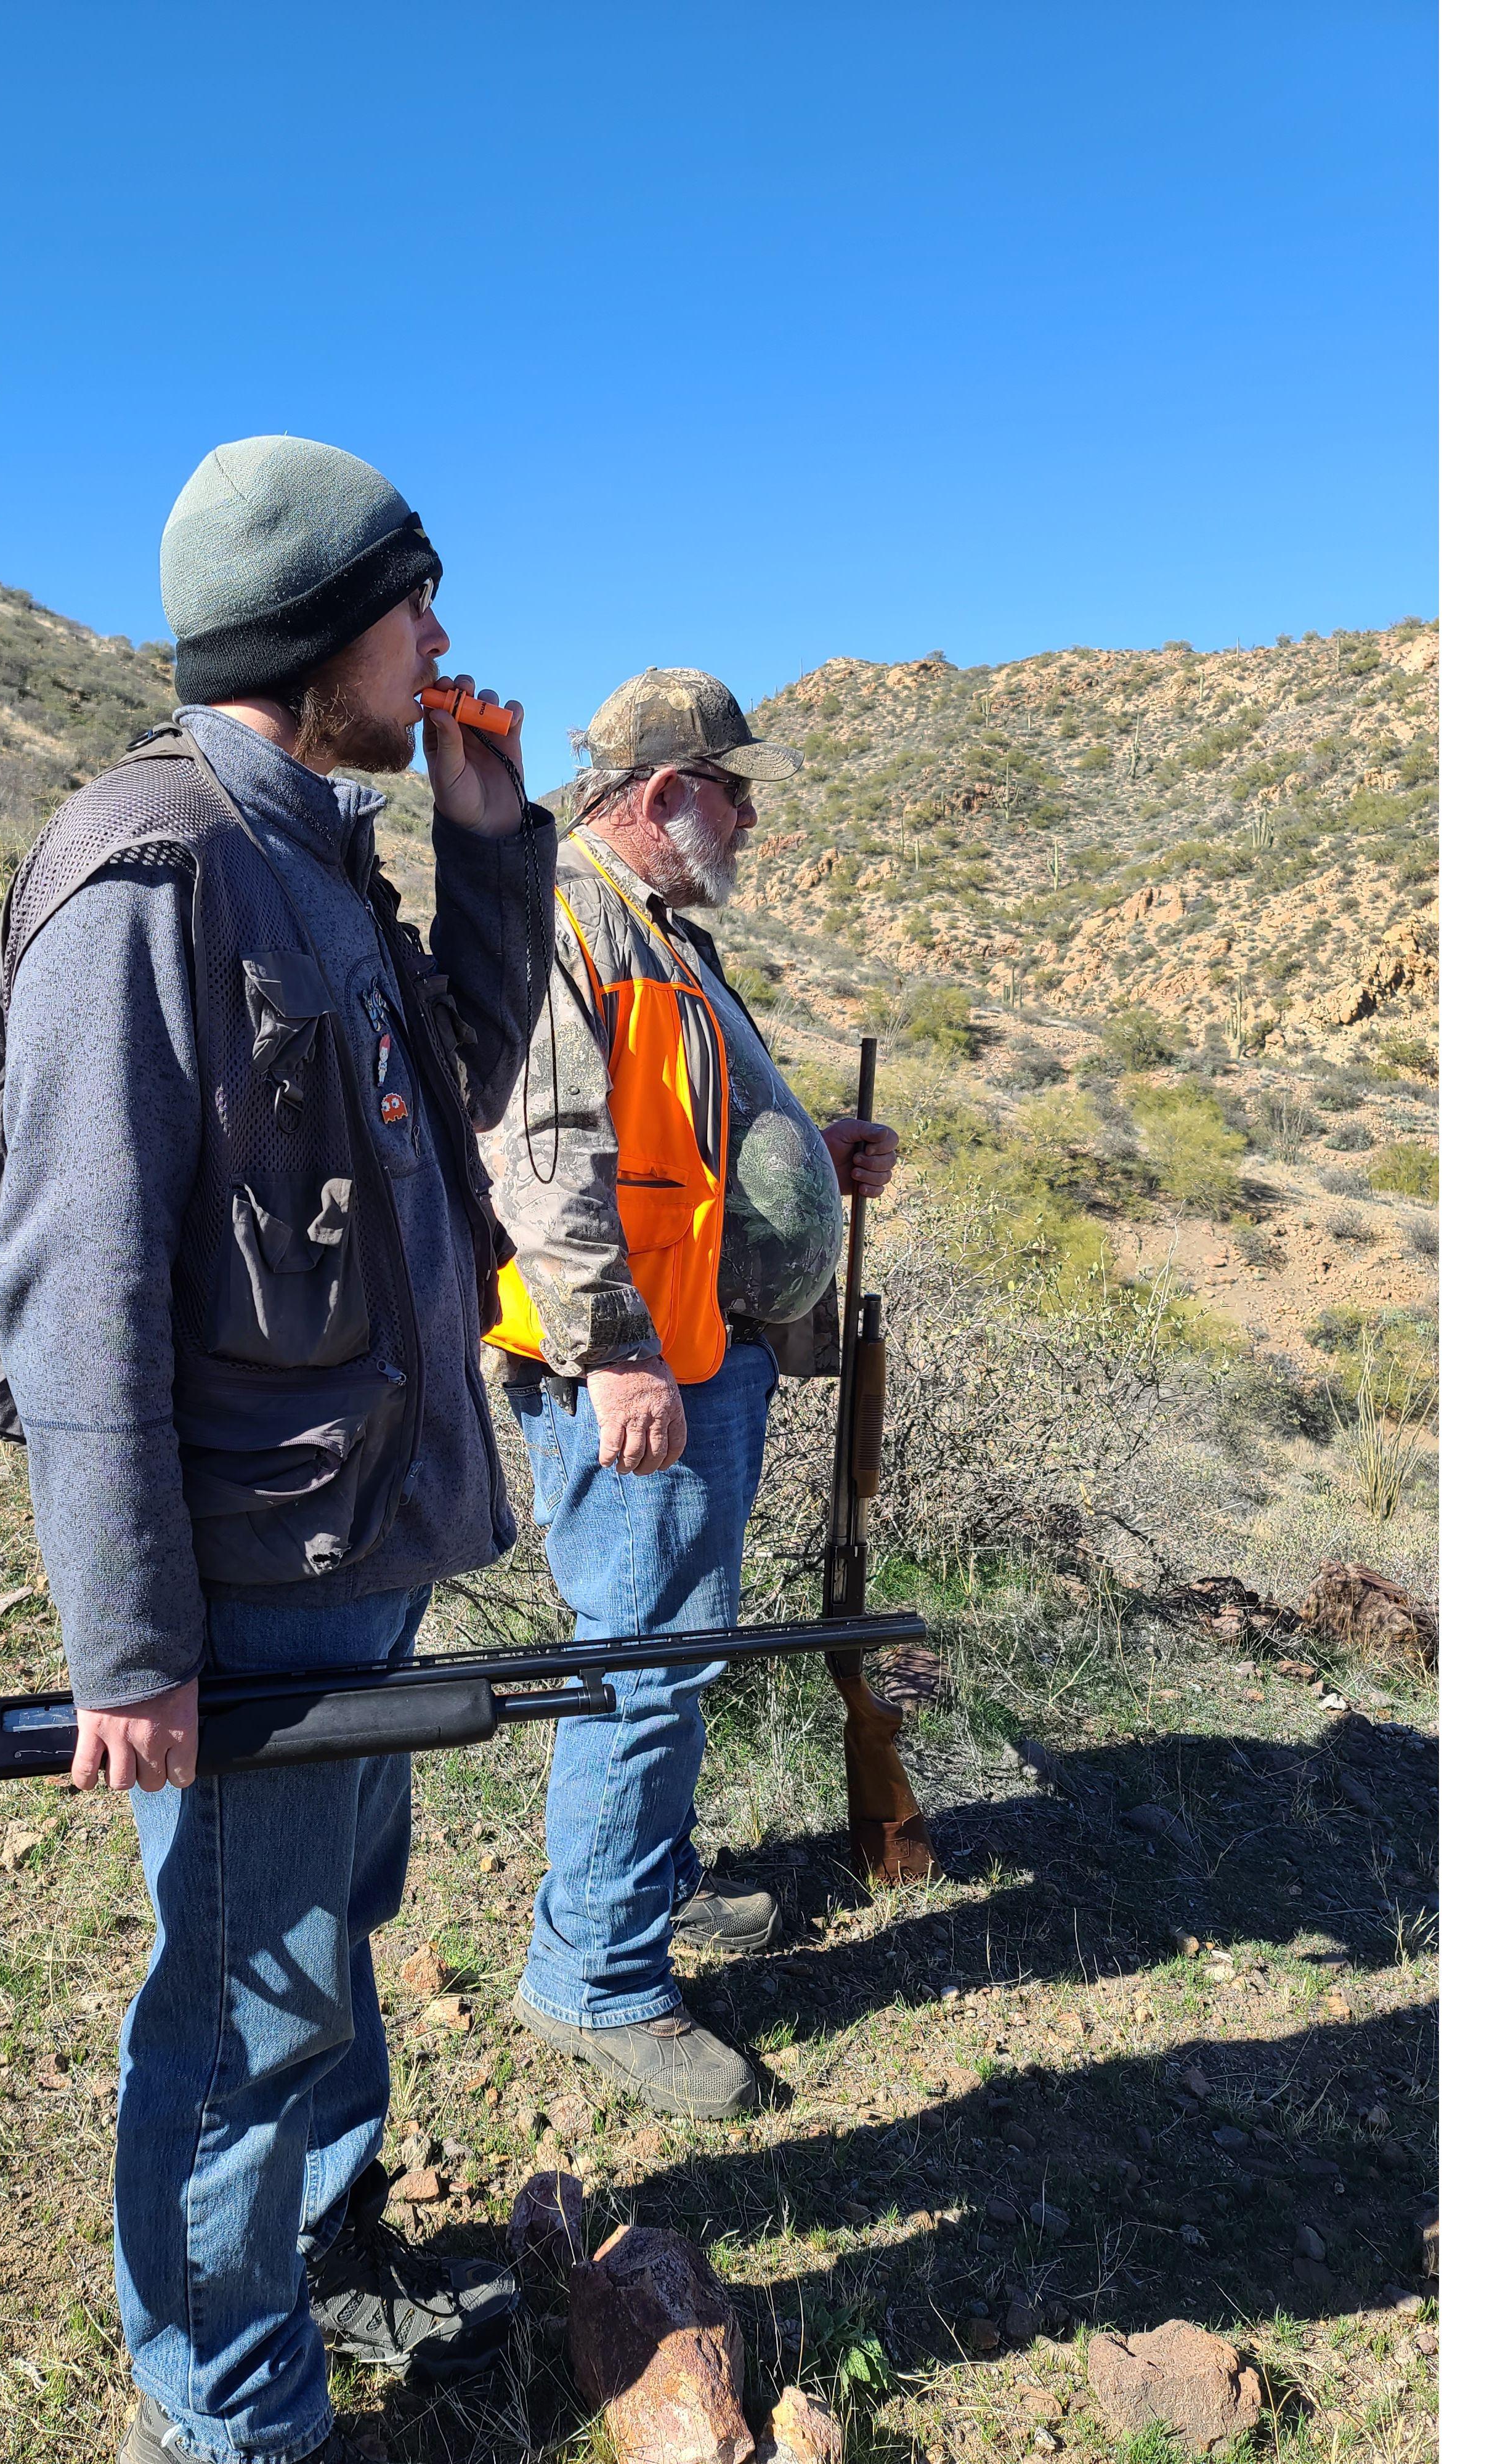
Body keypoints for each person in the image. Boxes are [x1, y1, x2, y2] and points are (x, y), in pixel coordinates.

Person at [0, 438, 556, 2464]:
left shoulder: (317, 848)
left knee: (328, 1939)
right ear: (317, 633)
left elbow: (451, 1094)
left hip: (360, 1551)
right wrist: (127, 1643)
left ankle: (330, 2240)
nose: (443, 643)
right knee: (243, 2005)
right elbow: (82, 1291)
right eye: (414, 607)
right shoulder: (151, 874)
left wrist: (490, 848)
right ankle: (234, 2413)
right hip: (251, 1586)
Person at [481, 667, 900, 2122]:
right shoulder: (564, 918)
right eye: (733, 792)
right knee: (643, 1657)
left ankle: (636, 1890)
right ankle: (595, 1975)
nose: (748, 819)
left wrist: (806, 1147)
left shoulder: (654, 925)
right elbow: (540, 1160)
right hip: (638, 1364)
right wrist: (614, 1353)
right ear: (662, 795)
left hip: (693, 1348)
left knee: (672, 1646)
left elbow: (687, 1135)